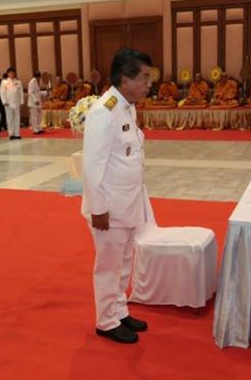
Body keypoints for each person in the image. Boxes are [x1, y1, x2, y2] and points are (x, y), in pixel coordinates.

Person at [82, 48, 153, 344]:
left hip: (127, 202)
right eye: (144, 78)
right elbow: (92, 165)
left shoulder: (127, 106)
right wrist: (98, 209)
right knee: (109, 266)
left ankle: (119, 310)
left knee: (124, 262)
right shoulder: (104, 111)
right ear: (125, 79)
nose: (149, 84)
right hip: (109, 208)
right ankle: (106, 320)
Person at [0, 67, 24, 140]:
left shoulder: (18, 82)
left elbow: (21, 92)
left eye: (13, 72)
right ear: (8, 74)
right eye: (10, 72)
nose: (12, 74)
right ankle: (11, 134)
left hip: (16, 102)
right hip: (8, 103)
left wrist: (21, 101)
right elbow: (2, 92)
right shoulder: (4, 82)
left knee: (17, 118)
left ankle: (17, 133)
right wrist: (4, 101)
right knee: (9, 119)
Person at [27, 71, 44, 135]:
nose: (40, 78)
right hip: (33, 102)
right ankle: (35, 129)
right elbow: (30, 92)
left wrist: (45, 93)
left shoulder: (37, 82)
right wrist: (35, 100)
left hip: (38, 102)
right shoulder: (32, 82)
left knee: (39, 116)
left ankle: (39, 128)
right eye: (39, 76)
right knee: (34, 116)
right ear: (37, 76)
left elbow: (37, 92)